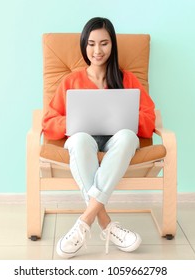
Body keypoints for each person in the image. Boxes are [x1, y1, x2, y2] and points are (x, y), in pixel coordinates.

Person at [42, 17, 156, 258]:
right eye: (91, 43)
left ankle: (83, 222)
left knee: (127, 136)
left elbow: (148, 119)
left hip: (117, 141)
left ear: (112, 45)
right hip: (85, 140)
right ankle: (107, 225)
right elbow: (49, 121)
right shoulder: (71, 81)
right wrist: (73, 123)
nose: (97, 50)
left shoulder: (127, 80)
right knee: (80, 139)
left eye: (104, 43)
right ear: (84, 45)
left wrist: (127, 119)